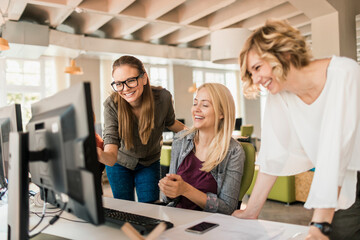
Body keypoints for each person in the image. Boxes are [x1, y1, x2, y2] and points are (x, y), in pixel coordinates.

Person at [232, 19, 360, 240]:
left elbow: (335, 150)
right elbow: (273, 153)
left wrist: (319, 225)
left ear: (283, 53)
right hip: (343, 183)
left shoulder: (344, 72)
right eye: (251, 73)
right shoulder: (280, 93)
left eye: (257, 68)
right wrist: (251, 211)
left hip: (346, 171)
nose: (256, 79)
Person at [97, 55, 185, 203]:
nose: (125, 89)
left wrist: (199, 135)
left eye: (131, 80)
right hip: (120, 163)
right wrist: (98, 154)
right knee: (124, 209)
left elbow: (170, 123)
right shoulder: (112, 105)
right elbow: (111, 156)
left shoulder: (163, 98)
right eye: (119, 84)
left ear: (144, 78)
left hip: (149, 162)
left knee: (150, 209)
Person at [159, 83, 245, 215]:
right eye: (195, 103)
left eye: (204, 105)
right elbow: (167, 199)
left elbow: (228, 208)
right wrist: (169, 190)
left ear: (222, 113)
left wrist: (186, 190)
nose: (196, 109)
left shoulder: (233, 151)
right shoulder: (180, 140)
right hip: (176, 218)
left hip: (210, 225)